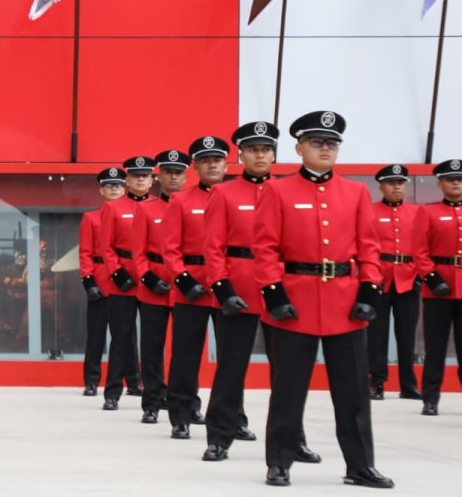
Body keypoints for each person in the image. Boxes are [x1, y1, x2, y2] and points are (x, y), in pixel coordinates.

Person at [255, 110, 391, 488]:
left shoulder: (356, 191)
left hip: (346, 305)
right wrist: (274, 294)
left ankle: (360, 465)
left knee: (353, 393)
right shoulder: (277, 190)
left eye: (332, 143)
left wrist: (370, 291)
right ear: (299, 148)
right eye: (317, 142)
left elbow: (369, 248)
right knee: (288, 390)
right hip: (294, 304)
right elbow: (265, 249)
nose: (326, 148)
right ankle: (279, 461)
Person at [201, 122, 318, 463]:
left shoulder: (289, 192)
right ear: (241, 155)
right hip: (239, 289)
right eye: (253, 149)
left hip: (282, 292)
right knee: (230, 369)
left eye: (266, 149)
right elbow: (213, 247)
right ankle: (220, 437)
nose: (260, 155)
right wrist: (222, 289)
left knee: (288, 372)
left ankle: (293, 438)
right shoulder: (223, 193)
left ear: (275, 154)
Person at [162, 136, 228, 440]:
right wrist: (185, 281)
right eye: (205, 160)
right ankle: (181, 414)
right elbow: (170, 249)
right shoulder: (181, 201)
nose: (212, 165)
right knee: (185, 356)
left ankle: (231, 416)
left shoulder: (237, 198)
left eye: (217, 159)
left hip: (228, 286)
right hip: (192, 284)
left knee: (231, 357)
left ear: (226, 163)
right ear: (195, 167)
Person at [131, 151, 187, 423]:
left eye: (178, 172)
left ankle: (187, 402)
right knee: (152, 349)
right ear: (159, 176)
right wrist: (148, 278)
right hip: (154, 286)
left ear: (186, 175)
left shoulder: (195, 205)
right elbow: (137, 252)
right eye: (168, 172)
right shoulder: (146, 209)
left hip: (185, 288)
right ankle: (152, 402)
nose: (173, 176)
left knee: (185, 350)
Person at [97, 155, 154, 411]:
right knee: (121, 337)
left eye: (145, 175)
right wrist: (118, 274)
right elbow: (105, 247)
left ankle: (154, 393)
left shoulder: (161, 205)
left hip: (151, 281)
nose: (140, 179)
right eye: (135, 175)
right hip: (123, 280)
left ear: (152, 179)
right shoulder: (114, 207)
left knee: (153, 340)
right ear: (127, 180)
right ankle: (112, 392)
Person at [367, 164, 424, 401]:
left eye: (401, 182)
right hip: (379, 278)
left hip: (409, 278)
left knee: (407, 334)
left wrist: (421, 275)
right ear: (381, 186)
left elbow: (423, 246)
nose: (397, 186)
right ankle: (377, 383)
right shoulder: (370, 211)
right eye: (391, 183)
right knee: (376, 335)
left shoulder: (417, 212)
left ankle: (408, 385)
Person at [418, 159, 462, 416]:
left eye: (459, 178)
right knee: (435, 346)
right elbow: (419, 251)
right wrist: (433, 279)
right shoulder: (428, 212)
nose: (456, 182)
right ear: (440, 183)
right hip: (439, 288)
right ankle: (430, 397)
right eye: (450, 179)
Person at [77, 168, 125, 396]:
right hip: (99, 280)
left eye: (118, 184)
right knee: (96, 335)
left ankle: (133, 380)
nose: (114, 188)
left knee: (125, 337)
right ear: (101, 189)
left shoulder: (133, 215)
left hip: (125, 283)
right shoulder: (91, 217)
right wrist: (89, 282)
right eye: (109, 185)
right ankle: (91, 381)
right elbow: (85, 252)